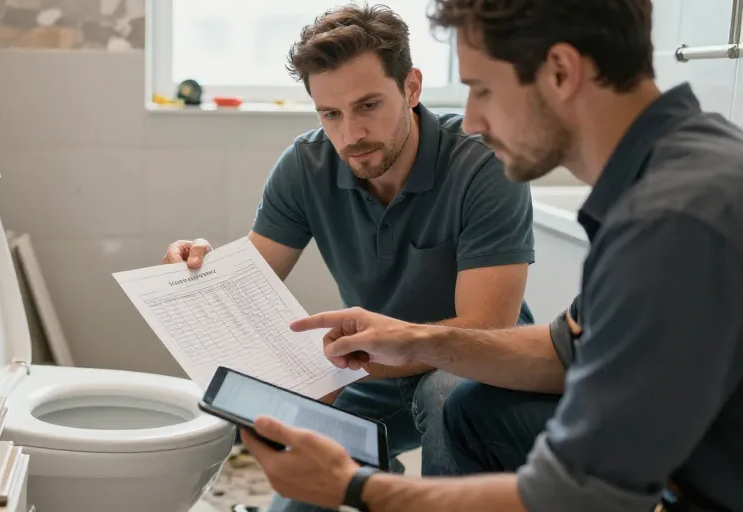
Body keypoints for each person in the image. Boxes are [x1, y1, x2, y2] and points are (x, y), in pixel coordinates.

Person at [240, 0, 743, 511]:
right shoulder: (675, 175)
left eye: (483, 89)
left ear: (561, 72)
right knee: (443, 420)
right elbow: (563, 350)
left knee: (448, 401)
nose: (474, 116)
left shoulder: (673, 220)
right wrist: (413, 339)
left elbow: (578, 493)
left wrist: (356, 489)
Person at [160, 2, 537, 487]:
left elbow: (488, 330)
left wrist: (335, 368)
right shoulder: (306, 165)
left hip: (468, 369)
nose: (351, 134)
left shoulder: (483, 164)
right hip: (373, 370)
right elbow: (246, 285)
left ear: (412, 87)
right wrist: (190, 275)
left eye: (368, 106)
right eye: (330, 114)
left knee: (446, 394)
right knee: (304, 496)